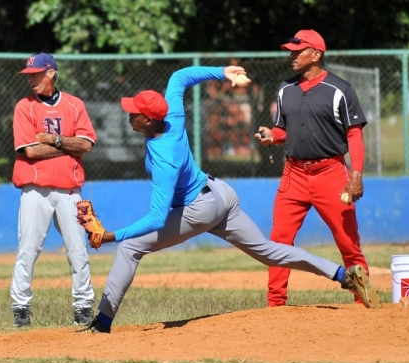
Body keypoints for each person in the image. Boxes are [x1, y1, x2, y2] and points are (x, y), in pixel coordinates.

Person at [79, 65, 382, 334]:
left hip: (200, 209)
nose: (128, 113)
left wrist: (112, 236)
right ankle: (342, 275)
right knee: (269, 251)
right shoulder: (170, 115)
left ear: (146, 120)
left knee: (130, 247)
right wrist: (224, 71)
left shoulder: (164, 161)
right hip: (220, 194)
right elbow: (180, 77)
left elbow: (158, 218)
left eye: (133, 112)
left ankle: (103, 323)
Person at [254, 30, 371, 307]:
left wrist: (356, 175)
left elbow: (354, 134)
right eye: (291, 51)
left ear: (316, 54)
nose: (292, 55)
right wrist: (273, 135)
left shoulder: (340, 90)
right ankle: (275, 303)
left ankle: (362, 299)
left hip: (330, 174)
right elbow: (284, 129)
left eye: (298, 51)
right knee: (279, 241)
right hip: (293, 174)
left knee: (347, 242)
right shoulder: (286, 89)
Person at [10, 52, 97, 327]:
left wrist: (55, 139)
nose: (31, 79)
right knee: (28, 248)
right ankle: (20, 307)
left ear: (50, 73)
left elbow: (87, 145)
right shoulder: (24, 107)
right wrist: (66, 146)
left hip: (70, 190)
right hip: (36, 190)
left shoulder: (74, 105)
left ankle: (83, 306)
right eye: (29, 75)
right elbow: (31, 151)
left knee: (78, 249)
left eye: (35, 74)